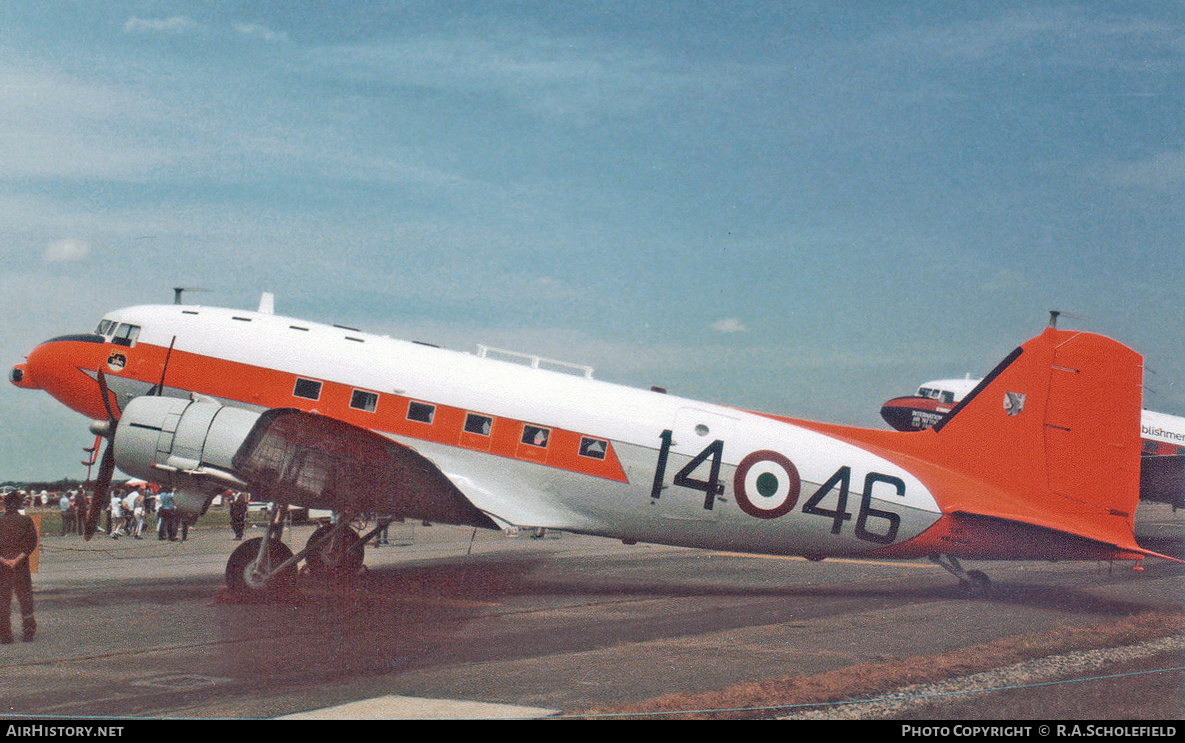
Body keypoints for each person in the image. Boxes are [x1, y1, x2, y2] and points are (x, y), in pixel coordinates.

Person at [0, 490, 38, 643]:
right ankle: (28, 631)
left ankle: (5, 634)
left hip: (2, 568)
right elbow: (31, 543)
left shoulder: (0, 522)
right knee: (25, 599)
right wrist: (17, 560)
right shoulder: (26, 520)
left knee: (3, 600)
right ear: (19, 505)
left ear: (5, 505)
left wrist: (4, 560)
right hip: (21, 567)